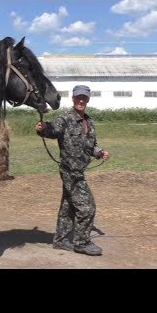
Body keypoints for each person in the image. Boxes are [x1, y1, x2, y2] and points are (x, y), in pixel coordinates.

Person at [35, 85, 109, 256]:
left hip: (79, 170)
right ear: (73, 98)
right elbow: (52, 130)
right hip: (70, 171)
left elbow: (91, 145)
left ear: (88, 99)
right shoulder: (65, 119)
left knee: (68, 207)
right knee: (87, 207)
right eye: (78, 97)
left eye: (84, 97)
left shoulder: (89, 122)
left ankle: (60, 240)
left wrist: (100, 152)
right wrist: (43, 128)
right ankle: (82, 242)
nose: (81, 100)